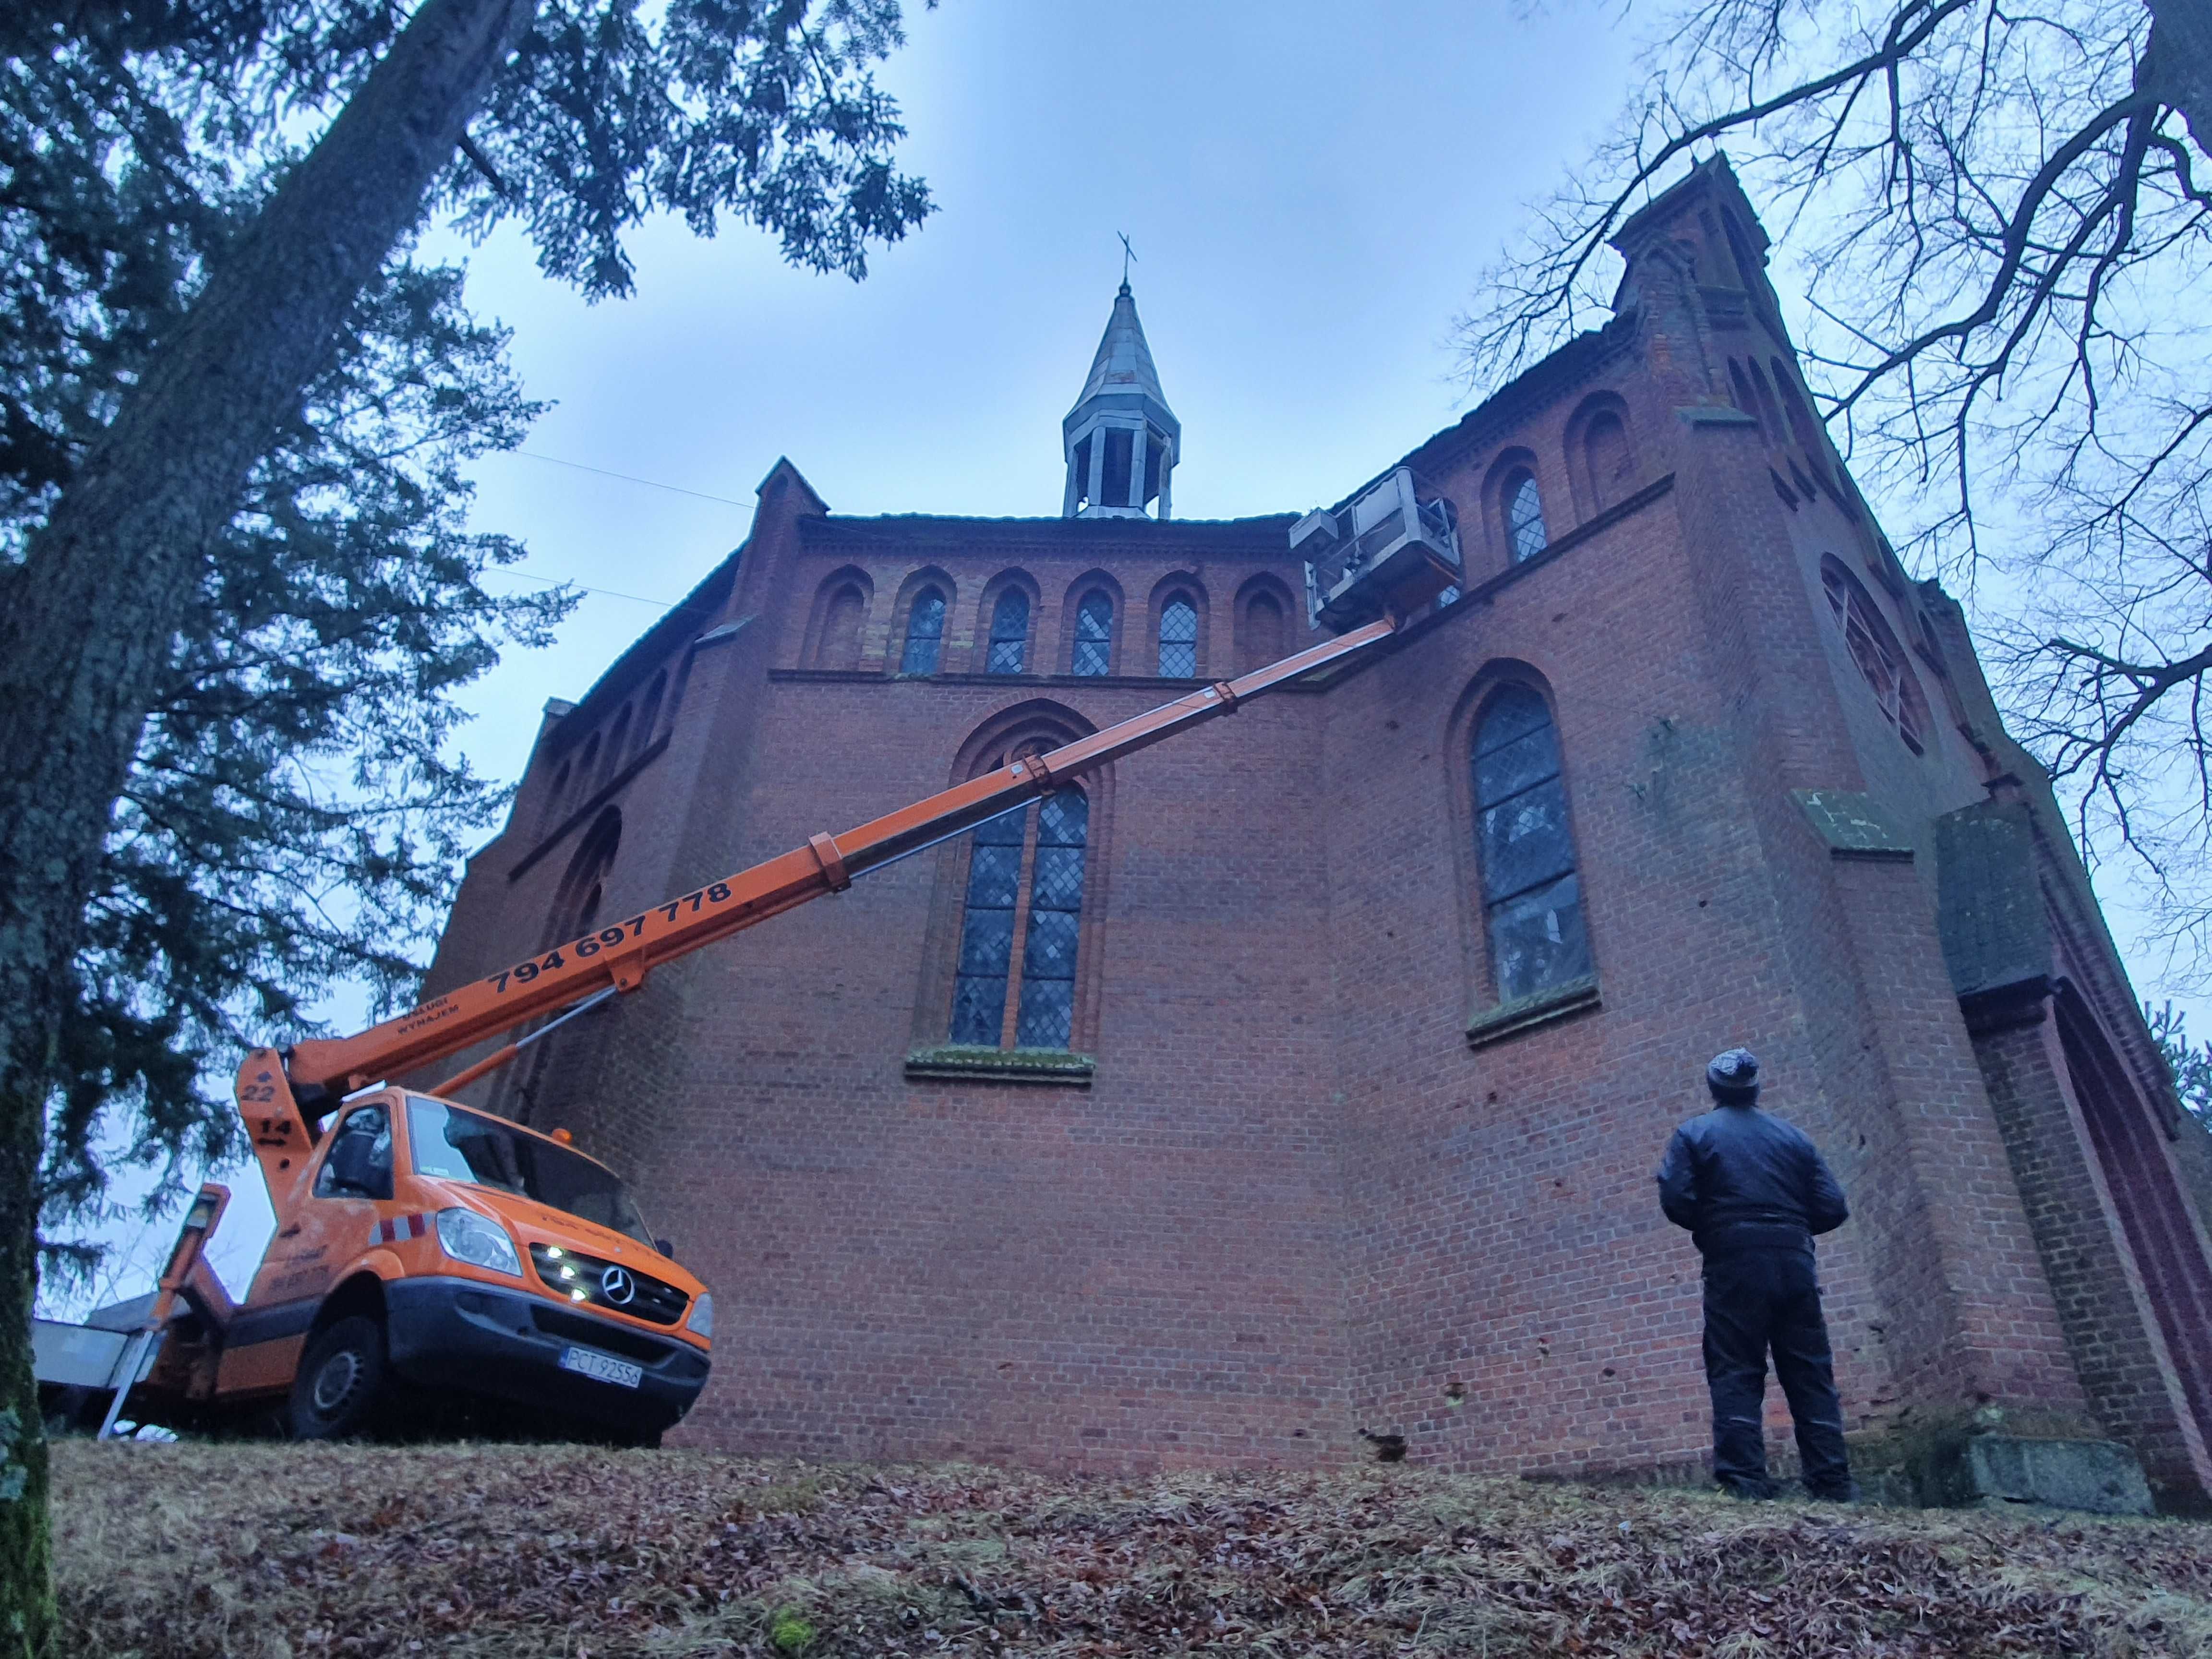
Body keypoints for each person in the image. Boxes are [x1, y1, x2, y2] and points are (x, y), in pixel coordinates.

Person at [1655, 1048, 1857, 1501]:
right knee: (1809, 1371)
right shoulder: (1794, 1139)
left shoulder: (1694, 1134)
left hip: (1734, 1261)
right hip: (1795, 1261)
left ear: (1714, 1089)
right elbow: (1833, 1207)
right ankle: (1832, 1483)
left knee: (1736, 1367)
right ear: (1755, 1088)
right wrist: (1791, 1228)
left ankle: (1745, 1481)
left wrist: (1718, 1226)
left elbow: (1676, 1199)